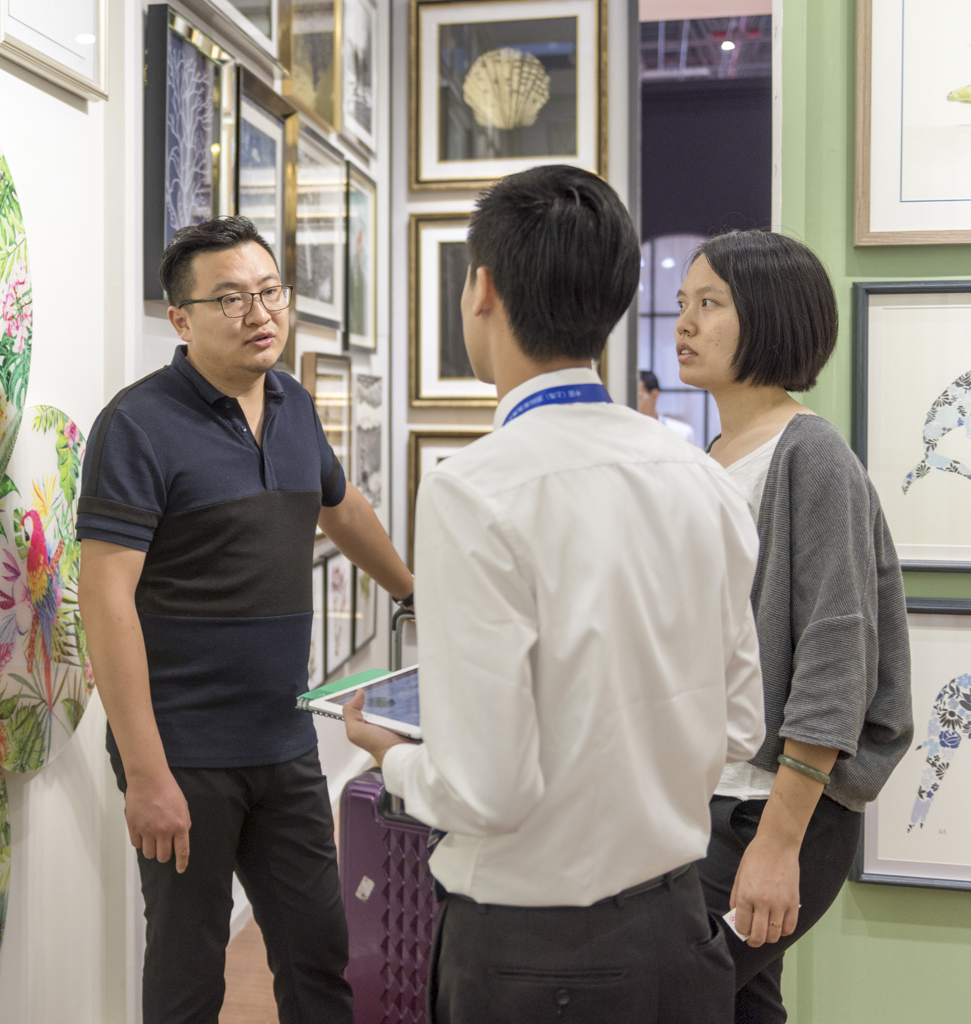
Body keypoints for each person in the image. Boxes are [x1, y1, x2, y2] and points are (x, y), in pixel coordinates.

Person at [342, 164, 766, 1024]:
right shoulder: (701, 476)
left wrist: (391, 756)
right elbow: (740, 727)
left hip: (536, 962)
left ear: (482, 291)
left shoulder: (473, 489)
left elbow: (486, 790)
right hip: (680, 933)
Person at [77, 216, 414, 1024]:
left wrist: (414, 590)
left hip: (283, 738)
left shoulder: (293, 405)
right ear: (180, 319)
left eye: (269, 292)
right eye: (230, 299)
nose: (259, 313)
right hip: (183, 751)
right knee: (189, 973)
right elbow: (105, 600)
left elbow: (340, 506)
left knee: (319, 953)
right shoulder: (137, 425)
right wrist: (147, 773)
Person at [674, 230, 913, 1023]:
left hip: (770, 813)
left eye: (710, 304)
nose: (685, 323)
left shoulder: (812, 457)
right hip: (709, 799)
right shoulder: (712, 455)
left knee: (665, 996)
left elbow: (836, 662)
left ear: (770, 317)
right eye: (683, 303)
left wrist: (776, 847)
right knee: (742, 1006)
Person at [639, 368, 698, 443]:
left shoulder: (682, 433)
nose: (631, 402)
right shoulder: (626, 432)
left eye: (637, 397)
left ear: (654, 395)